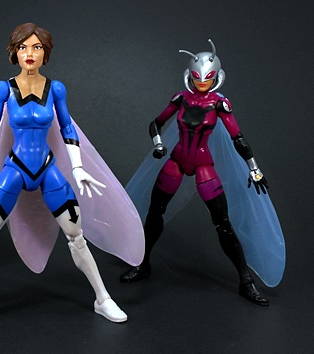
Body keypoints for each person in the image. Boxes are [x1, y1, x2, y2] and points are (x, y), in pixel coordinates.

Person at [0, 23, 144, 337]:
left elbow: (67, 127)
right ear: (14, 52)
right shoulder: (3, 89)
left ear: (46, 53)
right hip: (15, 169)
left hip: (46, 168)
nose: (30, 53)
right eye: (24, 47)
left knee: (76, 235)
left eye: (37, 47)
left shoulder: (55, 89)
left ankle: (103, 299)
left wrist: (78, 168)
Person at [121, 39, 282, 305]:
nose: (202, 83)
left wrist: (254, 168)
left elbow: (238, 138)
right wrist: (158, 144)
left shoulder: (219, 104)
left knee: (222, 222)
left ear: (217, 76)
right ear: (190, 75)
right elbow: (156, 123)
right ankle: (142, 263)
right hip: (176, 160)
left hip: (202, 164)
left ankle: (246, 282)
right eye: (197, 78)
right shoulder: (180, 99)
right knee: (155, 212)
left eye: (207, 78)